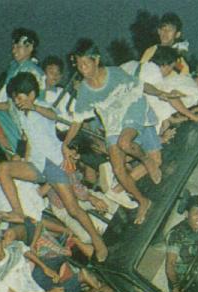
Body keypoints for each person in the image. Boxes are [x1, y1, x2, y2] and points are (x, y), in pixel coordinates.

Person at [0, 71, 109, 262]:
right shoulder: (19, 110)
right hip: (36, 164)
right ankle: (18, 212)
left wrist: (34, 106)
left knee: (72, 209)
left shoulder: (42, 106)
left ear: (31, 95)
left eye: (21, 97)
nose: (17, 102)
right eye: (15, 98)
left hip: (54, 163)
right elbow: (8, 106)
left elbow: (53, 115)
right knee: (4, 168)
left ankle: (98, 241)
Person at [65, 39, 174, 225]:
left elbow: (141, 86)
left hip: (134, 109)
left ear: (96, 60)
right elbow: (77, 120)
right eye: (79, 65)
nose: (83, 69)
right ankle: (143, 201)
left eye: (86, 64)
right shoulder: (84, 89)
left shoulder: (114, 73)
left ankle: (146, 159)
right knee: (118, 168)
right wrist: (65, 144)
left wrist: (160, 93)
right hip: (114, 122)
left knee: (133, 147)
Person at [0, 27, 45, 152]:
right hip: (20, 126)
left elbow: (24, 105)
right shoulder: (14, 70)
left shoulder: (32, 71)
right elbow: (10, 104)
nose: (14, 50)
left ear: (30, 47)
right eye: (13, 47)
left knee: (27, 156)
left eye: (18, 47)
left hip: (33, 126)